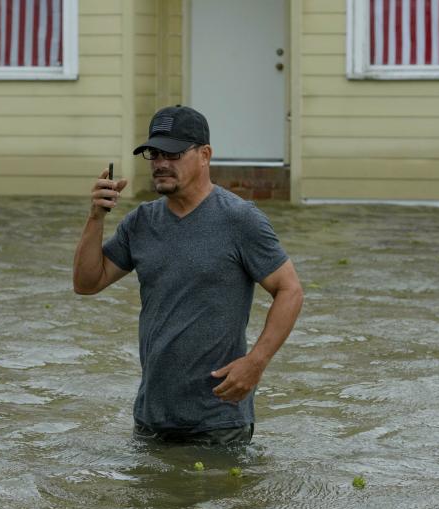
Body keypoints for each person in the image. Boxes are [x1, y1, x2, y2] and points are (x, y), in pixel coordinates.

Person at [72, 105, 303, 446]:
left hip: (218, 422)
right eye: (154, 153)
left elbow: (290, 290)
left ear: (205, 155)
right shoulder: (140, 223)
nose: (161, 163)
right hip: (152, 417)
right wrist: (95, 217)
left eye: (174, 153)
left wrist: (256, 362)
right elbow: (87, 283)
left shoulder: (240, 220)